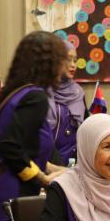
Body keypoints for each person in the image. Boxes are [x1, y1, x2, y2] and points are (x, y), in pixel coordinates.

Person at [0, 31, 68, 221]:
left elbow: (26, 149)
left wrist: (61, 171)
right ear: (50, 63)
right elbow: (10, 147)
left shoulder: (14, 94)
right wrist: (43, 179)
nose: (64, 67)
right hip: (11, 204)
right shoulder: (35, 98)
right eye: (62, 60)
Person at [45, 38, 86, 166]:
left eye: (75, 60)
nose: (73, 65)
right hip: (49, 165)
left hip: (75, 164)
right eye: (68, 59)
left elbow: (83, 129)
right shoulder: (42, 92)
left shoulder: (78, 92)